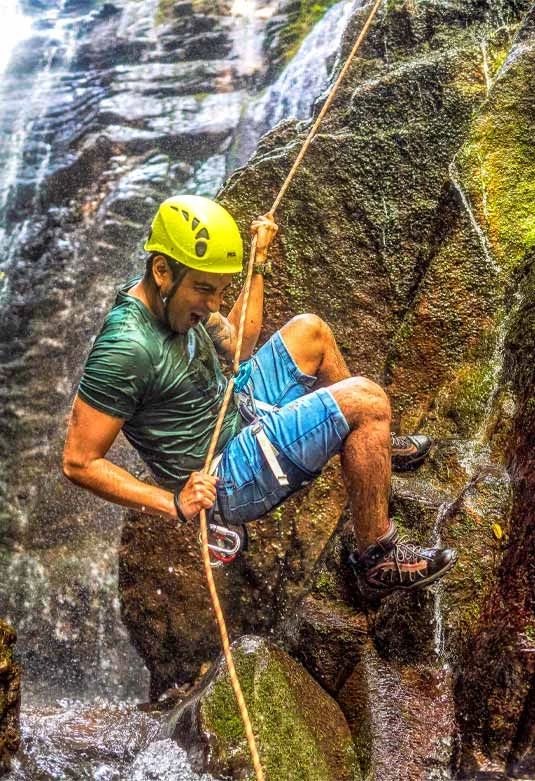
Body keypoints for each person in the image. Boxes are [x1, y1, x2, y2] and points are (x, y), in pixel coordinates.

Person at [63, 195, 456, 595]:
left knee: (310, 331)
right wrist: (174, 503)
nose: (213, 304)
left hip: (238, 405)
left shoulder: (170, 300)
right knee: (367, 401)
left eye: (220, 291)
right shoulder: (125, 350)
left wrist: (259, 259)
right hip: (226, 473)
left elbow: (237, 347)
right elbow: (79, 461)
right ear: (162, 270)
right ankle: (376, 559)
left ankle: (370, 448)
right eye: (204, 290)